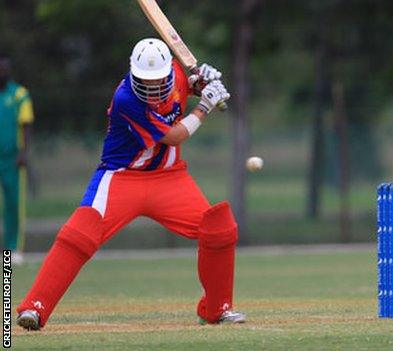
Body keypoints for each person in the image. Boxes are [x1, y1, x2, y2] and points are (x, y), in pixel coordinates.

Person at [16, 38, 244, 330]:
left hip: (169, 177)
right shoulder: (126, 99)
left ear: (167, 74)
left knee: (219, 227)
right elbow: (174, 136)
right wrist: (204, 107)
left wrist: (200, 82)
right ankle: (34, 307)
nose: (150, 87)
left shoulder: (175, 72)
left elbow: (184, 89)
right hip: (121, 177)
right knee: (79, 233)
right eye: (144, 81)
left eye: (156, 81)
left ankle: (217, 309)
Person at [0, 52, 34, 266]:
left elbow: (27, 124)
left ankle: (13, 250)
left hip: (12, 160)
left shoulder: (20, 94)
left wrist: (23, 153)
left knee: (13, 205)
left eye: (4, 69)